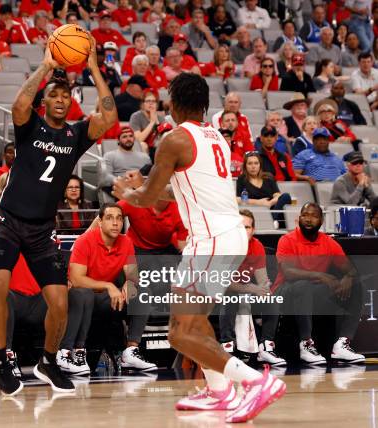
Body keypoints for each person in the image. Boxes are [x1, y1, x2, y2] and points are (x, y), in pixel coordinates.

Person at [112, 73, 285, 423]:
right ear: (204, 104)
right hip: (222, 234)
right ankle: (220, 391)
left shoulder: (174, 140)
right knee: (193, 324)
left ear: (173, 103)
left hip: (212, 240)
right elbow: (180, 190)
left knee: (179, 333)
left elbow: (147, 198)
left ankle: (254, 382)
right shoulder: (216, 138)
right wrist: (144, 188)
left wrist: (127, 193)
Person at [0, 36, 116, 396]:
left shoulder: (76, 135)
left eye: (66, 95)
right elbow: (18, 104)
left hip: (42, 229)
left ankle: (48, 360)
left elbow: (110, 116)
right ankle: (1, 358)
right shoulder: (29, 126)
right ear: (45, 102)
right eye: (54, 95)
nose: (60, 100)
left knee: (60, 301)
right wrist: (45, 65)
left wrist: (91, 66)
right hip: (9, 219)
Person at [61, 203, 156, 373]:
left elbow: (133, 275)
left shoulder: (126, 241)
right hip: (81, 299)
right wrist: (108, 285)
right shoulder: (85, 240)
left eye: (119, 219)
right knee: (84, 294)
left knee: (142, 292)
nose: (115, 223)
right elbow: (76, 280)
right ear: (100, 222)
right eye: (110, 218)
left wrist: (130, 282)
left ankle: (131, 351)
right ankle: (71, 353)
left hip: (106, 299)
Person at [273, 202, 365, 364]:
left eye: (314, 216)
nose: (309, 219)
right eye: (305, 215)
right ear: (299, 219)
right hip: (284, 292)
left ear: (321, 221)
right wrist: (321, 276)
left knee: (357, 286)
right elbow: (289, 273)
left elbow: (351, 269)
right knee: (303, 285)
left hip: (312, 293)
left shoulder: (328, 242)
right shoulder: (287, 240)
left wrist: (348, 278)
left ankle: (342, 345)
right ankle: (306, 344)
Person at [218, 209, 285, 365]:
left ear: (253, 230)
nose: (242, 231)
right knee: (230, 297)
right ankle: (227, 347)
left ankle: (266, 347)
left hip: (246, 290)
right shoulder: (224, 246)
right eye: (239, 227)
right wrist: (253, 289)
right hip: (222, 293)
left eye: (247, 227)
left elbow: (262, 279)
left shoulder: (257, 246)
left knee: (271, 299)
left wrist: (264, 288)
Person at [236, 152, 292, 228]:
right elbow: (239, 199)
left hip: (272, 208)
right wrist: (259, 202)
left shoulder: (268, 177)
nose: (253, 166)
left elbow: (277, 195)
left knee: (286, 196)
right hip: (255, 211)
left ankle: (274, 219)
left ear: (260, 165)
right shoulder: (242, 179)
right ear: (245, 166)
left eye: (256, 163)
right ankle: (274, 220)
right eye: (250, 163)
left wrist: (269, 203)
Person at [101, 126, 151, 197]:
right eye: (124, 137)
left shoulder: (145, 157)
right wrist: (121, 181)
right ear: (118, 140)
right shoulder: (110, 155)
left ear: (134, 138)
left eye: (130, 136)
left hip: (141, 186)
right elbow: (106, 176)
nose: (128, 139)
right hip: (122, 187)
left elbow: (150, 177)